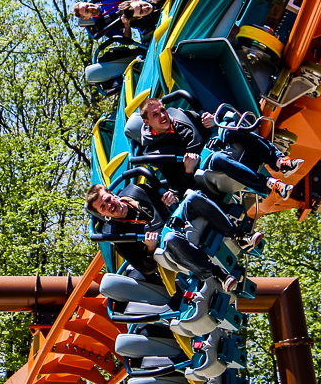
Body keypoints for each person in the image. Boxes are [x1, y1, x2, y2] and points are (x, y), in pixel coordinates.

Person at [138, 98, 301, 200]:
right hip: (203, 167)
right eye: (155, 115)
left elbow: (207, 125)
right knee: (218, 158)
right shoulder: (159, 154)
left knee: (231, 128)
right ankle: (270, 184)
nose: (163, 116)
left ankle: (280, 161)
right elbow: (180, 187)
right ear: (147, 122)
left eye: (162, 110)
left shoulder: (181, 117)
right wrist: (188, 170)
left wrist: (211, 121)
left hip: (215, 143)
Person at [159, 190, 263, 292]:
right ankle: (218, 274)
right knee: (170, 238)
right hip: (166, 242)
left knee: (193, 195)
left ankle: (239, 236)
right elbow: (147, 267)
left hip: (178, 218)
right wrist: (150, 247)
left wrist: (174, 195)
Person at [86, 183, 176, 276]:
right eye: (103, 207)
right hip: (169, 250)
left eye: (108, 199)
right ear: (101, 214)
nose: (109, 205)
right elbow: (145, 268)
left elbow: (176, 192)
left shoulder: (138, 191)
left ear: (112, 194)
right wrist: (150, 249)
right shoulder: (119, 238)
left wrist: (172, 198)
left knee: (191, 196)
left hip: (180, 221)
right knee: (170, 237)